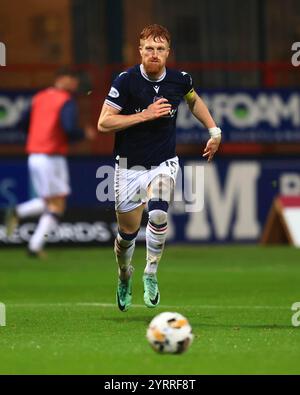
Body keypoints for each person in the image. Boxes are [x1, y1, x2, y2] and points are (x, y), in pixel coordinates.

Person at [97, 24, 221, 311]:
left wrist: (214, 131)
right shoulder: (125, 81)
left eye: (160, 49)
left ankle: (150, 273)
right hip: (128, 166)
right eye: (149, 48)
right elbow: (104, 123)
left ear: (168, 53)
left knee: (158, 212)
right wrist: (144, 115)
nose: (154, 54)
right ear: (140, 50)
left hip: (163, 162)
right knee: (126, 235)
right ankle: (124, 274)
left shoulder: (180, 80)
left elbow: (194, 100)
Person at [5, 67, 96, 257]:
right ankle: (33, 243)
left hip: (34, 155)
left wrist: (36, 136)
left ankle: (20, 217)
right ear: (62, 79)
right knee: (57, 205)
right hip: (51, 156)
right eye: (72, 79)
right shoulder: (66, 100)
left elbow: (22, 122)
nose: (75, 84)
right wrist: (84, 134)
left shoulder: (39, 97)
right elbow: (69, 128)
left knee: (50, 202)